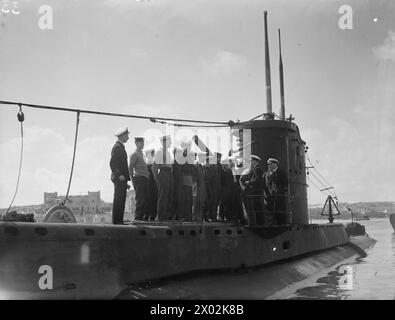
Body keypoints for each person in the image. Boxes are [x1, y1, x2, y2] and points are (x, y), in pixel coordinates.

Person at [110, 127, 131, 225]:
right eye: (127, 135)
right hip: (119, 178)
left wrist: (125, 179)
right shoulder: (117, 147)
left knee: (121, 199)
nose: (128, 137)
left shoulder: (120, 147)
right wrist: (120, 175)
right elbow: (113, 164)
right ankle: (116, 221)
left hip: (122, 179)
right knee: (118, 199)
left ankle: (119, 220)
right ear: (122, 136)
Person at [152, 135, 174, 221]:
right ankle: (160, 217)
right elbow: (154, 167)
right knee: (162, 196)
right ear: (164, 142)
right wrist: (157, 178)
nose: (171, 143)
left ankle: (166, 216)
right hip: (163, 174)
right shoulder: (159, 152)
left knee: (168, 196)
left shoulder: (168, 152)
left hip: (169, 174)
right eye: (169, 141)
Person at [129, 137, 150, 221]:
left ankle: (143, 216)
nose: (143, 144)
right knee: (140, 198)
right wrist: (132, 180)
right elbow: (130, 168)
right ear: (136, 143)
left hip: (145, 178)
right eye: (141, 143)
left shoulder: (142, 154)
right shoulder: (134, 154)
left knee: (145, 198)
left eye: (143, 142)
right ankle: (138, 217)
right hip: (139, 178)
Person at [239, 155, 264, 226]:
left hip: (256, 192)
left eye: (251, 161)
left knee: (257, 209)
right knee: (256, 208)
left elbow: (258, 180)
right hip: (255, 192)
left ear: (255, 161)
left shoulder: (257, 169)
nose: (250, 162)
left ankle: (259, 224)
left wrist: (249, 182)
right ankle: (259, 223)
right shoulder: (254, 169)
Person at [262, 158, 287, 225]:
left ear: (275, 164)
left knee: (279, 210)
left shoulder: (281, 172)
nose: (269, 165)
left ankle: (281, 223)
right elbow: (264, 185)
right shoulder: (266, 174)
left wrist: (280, 191)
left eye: (271, 164)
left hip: (279, 195)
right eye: (268, 164)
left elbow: (285, 184)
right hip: (269, 196)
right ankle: (271, 223)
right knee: (270, 210)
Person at [192, 151, 206, 222]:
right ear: (200, 157)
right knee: (196, 204)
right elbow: (194, 179)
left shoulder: (201, 166)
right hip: (197, 187)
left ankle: (199, 218)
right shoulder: (196, 166)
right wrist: (194, 190)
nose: (205, 158)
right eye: (204, 157)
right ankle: (195, 218)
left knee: (201, 203)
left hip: (201, 187)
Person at [145, 147, 157, 221]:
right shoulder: (147, 165)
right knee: (149, 200)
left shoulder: (153, 164)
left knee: (153, 199)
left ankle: (151, 215)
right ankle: (148, 215)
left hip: (153, 184)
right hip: (149, 184)